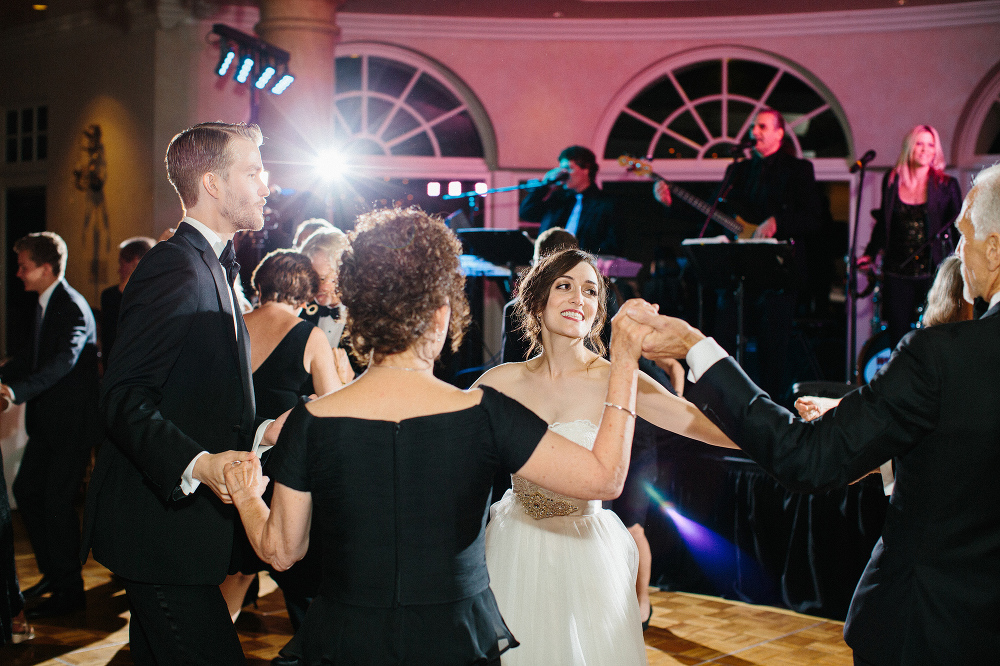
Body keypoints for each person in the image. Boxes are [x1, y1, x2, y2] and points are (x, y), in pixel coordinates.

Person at [222, 207, 653, 664]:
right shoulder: (485, 413)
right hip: (454, 641)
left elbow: (282, 551)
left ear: (358, 312)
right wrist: (624, 361)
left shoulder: (312, 421)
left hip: (347, 640)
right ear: (442, 313)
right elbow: (604, 480)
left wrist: (248, 496)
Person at [631, 163, 1000, 665]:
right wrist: (869, 421)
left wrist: (697, 348)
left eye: (964, 235)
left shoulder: (941, 356)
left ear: (996, 249)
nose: (957, 251)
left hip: (930, 629)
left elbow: (807, 459)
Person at [82, 122, 283, 664]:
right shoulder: (173, 265)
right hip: (160, 538)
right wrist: (197, 463)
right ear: (213, 184)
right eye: (253, 172)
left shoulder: (209, 263)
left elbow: (195, 395)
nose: (267, 184)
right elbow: (123, 396)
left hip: (180, 539)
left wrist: (264, 431)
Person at [475, 248, 735, 664]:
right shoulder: (499, 383)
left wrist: (782, 431)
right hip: (514, 547)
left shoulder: (617, 379)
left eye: (591, 291)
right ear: (537, 301)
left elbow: (698, 423)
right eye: (565, 286)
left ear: (598, 311)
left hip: (586, 553)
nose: (579, 298)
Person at [655, 109, 824, 401]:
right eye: (753, 126)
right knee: (724, 339)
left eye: (762, 126)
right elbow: (710, 212)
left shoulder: (798, 170)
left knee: (773, 350)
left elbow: (815, 219)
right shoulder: (739, 171)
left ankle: (771, 408)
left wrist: (777, 223)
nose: (754, 131)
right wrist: (674, 203)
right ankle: (725, 403)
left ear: (779, 133)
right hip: (738, 275)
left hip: (777, 276)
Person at [220, 249, 340, 624]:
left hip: (226, 464)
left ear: (259, 285)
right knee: (298, 576)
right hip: (282, 474)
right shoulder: (311, 336)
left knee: (236, 573)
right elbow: (334, 408)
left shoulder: (232, 326)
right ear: (307, 296)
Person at [0, 231, 99, 619]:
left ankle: (71, 593)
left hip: (70, 426)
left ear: (45, 268)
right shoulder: (46, 303)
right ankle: (54, 575)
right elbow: (33, 357)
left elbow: (61, 363)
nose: (19, 273)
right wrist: (6, 374)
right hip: (48, 424)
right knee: (27, 490)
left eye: (24, 266)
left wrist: (13, 393)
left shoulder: (71, 306)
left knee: (56, 505)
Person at [859, 124, 964, 348]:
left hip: (932, 271)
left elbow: (958, 228)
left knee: (933, 336)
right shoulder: (892, 180)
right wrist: (869, 254)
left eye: (930, 144)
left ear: (936, 150)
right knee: (898, 339)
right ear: (909, 147)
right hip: (897, 271)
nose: (925, 149)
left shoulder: (946, 185)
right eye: (919, 143)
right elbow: (883, 224)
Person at [519, 145, 617, 255]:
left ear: (586, 169)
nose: (564, 174)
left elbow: (612, 243)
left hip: (583, 265)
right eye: (562, 169)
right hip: (553, 265)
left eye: (569, 169)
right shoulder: (559, 199)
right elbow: (527, 213)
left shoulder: (605, 203)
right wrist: (544, 186)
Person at [298, 227, 353, 385]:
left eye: (322, 278)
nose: (314, 287)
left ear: (343, 272)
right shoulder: (301, 312)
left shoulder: (367, 316)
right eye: (310, 278)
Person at [99, 236, 154, 369]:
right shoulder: (109, 296)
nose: (119, 270)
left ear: (135, 261)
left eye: (122, 263)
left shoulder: (152, 296)